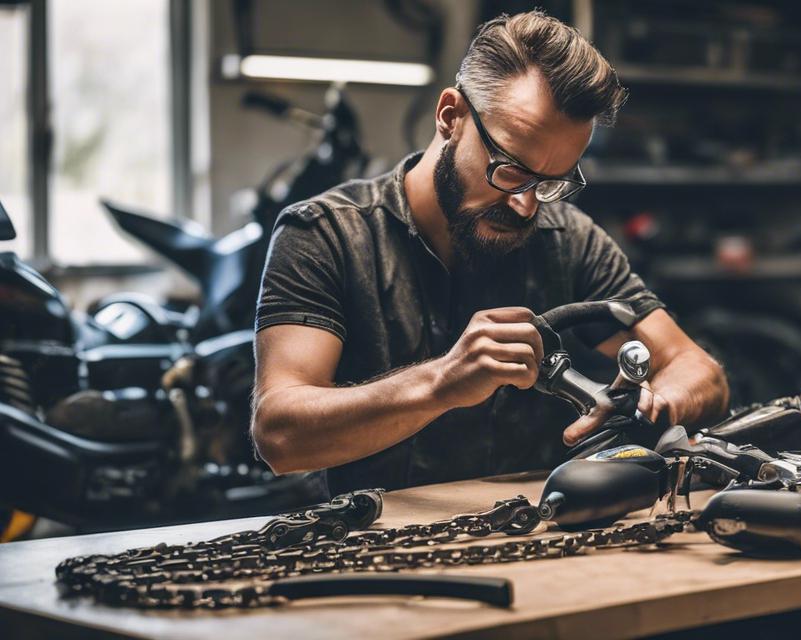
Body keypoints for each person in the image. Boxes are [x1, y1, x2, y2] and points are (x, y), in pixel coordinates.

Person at [250, 10, 728, 494]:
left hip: (535, 539)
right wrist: (440, 384)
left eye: (551, 182)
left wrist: (651, 404)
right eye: (509, 168)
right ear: (450, 116)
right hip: (365, 550)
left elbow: (699, 371)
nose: (524, 205)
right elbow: (280, 434)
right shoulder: (325, 236)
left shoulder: (569, 239)